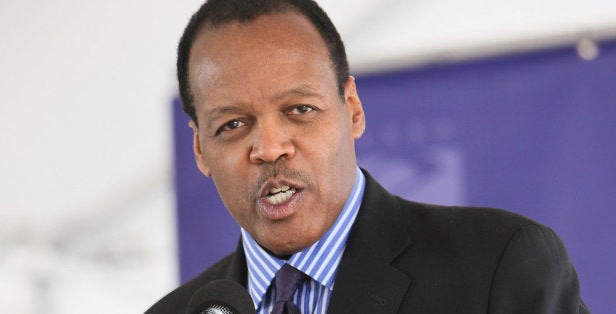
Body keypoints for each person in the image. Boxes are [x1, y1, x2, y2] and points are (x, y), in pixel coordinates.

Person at [147, 0, 589, 313]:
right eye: (233, 125)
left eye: (300, 110)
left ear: (353, 110)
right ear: (201, 150)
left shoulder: (496, 265)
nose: (269, 148)